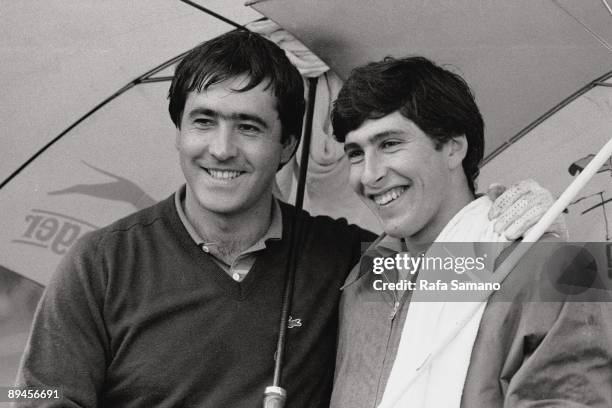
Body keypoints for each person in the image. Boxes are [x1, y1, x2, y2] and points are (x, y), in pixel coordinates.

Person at [16, 31, 560, 407]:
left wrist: (512, 213)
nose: (222, 149)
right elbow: (33, 395)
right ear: (180, 132)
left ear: (287, 147)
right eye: (203, 121)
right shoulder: (99, 262)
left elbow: (446, 254)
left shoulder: (352, 262)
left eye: (250, 128)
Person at [329, 56, 612, 408]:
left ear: (453, 146)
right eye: (356, 153)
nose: (369, 175)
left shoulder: (559, 269)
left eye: (389, 144)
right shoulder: (365, 276)